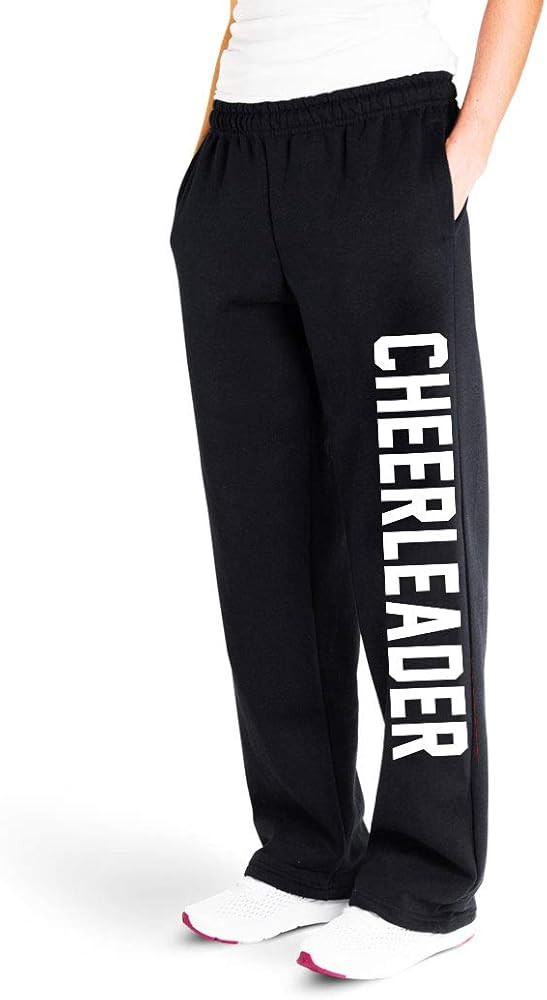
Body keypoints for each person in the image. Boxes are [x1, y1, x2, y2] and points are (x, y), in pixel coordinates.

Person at [170, 0, 542, 981]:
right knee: (264, 539)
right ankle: (307, 849)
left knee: (412, 528)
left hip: (384, 135)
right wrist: (210, 155)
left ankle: (427, 877)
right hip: (238, 158)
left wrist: (465, 152)